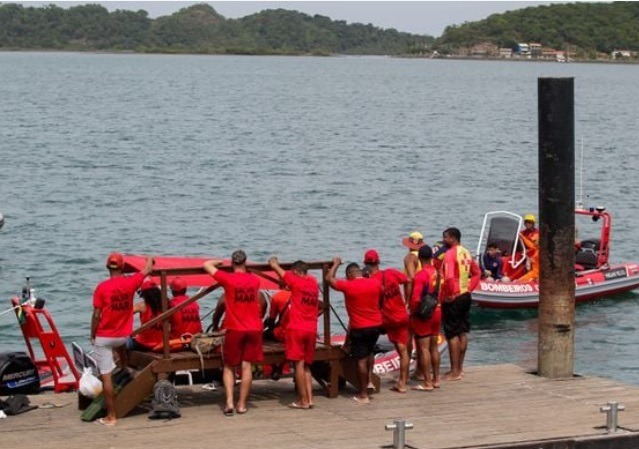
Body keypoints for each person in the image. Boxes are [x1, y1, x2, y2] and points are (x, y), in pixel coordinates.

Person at [90, 252, 154, 426]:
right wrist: (148, 258)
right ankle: (125, 367)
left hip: (105, 336)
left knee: (106, 377)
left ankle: (111, 416)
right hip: (123, 337)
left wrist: (92, 334)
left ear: (107, 267)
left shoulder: (101, 287)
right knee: (120, 346)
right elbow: (148, 268)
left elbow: (96, 315)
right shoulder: (131, 282)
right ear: (123, 267)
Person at [203, 250, 263, 417]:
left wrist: (217, 262)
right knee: (247, 366)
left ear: (232, 263)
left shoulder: (227, 279)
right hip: (254, 328)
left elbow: (206, 265)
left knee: (229, 366)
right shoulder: (255, 280)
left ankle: (229, 402)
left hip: (235, 327)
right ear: (246, 262)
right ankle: (242, 404)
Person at [326, 257, 383, 404]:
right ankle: (369, 381)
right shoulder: (375, 283)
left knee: (361, 360)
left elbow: (329, 278)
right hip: (376, 325)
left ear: (350, 275)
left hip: (360, 327)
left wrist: (336, 264)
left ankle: (363, 394)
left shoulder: (348, 286)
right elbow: (382, 292)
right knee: (370, 353)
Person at [268, 257, 320, 410]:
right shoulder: (314, 283)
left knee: (298, 364)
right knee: (306, 366)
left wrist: (273, 262)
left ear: (295, 272)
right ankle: (310, 399)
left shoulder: (296, 281)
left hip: (297, 328)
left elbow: (275, 267)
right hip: (312, 328)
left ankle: (302, 400)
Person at [362, 249, 410, 393]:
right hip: (401, 316)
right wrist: (407, 301)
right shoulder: (391, 273)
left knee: (369, 347)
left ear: (365, 263)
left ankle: (368, 380)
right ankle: (402, 383)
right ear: (378, 262)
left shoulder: (370, 281)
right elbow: (408, 280)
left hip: (384, 320)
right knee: (403, 351)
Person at [439, 228, 481, 382]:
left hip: (454, 297)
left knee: (452, 334)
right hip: (465, 295)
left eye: (445, 237)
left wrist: (449, 295)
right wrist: (470, 288)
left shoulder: (450, 254)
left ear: (452, 238)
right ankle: (460, 369)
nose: (443, 240)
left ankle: (454, 371)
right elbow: (477, 273)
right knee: (462, 331)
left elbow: (449, 278)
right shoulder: (466, 252)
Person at [409, 245, 442, 391]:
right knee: (434, 347)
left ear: (419, 258)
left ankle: (427, 382)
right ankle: (436, 379)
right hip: (438, 310)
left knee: (424, 349)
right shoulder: (439, 273)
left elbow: (416, 298)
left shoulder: (421, 275)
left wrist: (413, 312)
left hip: (425, 314)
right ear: (432, 257)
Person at [126, 278, 164, 351]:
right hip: (161, 344)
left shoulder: (142, 306)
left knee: (122, 341)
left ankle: (123, 361)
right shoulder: (166, 305)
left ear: (145, 295)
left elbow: (125, 314)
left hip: (143, 344)